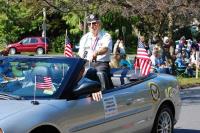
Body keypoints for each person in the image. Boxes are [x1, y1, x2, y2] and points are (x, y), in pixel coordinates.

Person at [78, 14, 113, 100]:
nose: (91, 26)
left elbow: (105, 48)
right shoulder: (84, 38)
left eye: (94, 23)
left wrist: (96, 53)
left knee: (100, 73)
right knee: (76, 75)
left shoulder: (106, 36)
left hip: (101, 64)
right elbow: (81, 54)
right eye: (89, 24)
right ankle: (80, 97)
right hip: (87, 63)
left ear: (99, 24)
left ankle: (106, 97)